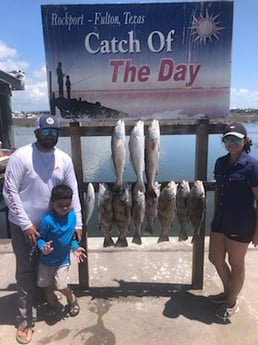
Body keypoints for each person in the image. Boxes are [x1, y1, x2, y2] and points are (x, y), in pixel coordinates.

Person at [3, 114, 83, 344]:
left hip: (54, 224)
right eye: (46, 132)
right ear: (36, 132)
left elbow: (73, 191)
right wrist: (26, 224)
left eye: (54, 132)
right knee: (26, 272)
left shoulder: (64, 159)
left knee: (49, 267)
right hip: (24, 227)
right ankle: (25, 319)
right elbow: (9, 193)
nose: (50, 136)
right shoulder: (21, 157)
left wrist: (77, 223)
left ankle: (46, 299)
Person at [208, 122, 258, 321]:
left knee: (236, 264)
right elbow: (219, 189)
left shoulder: (252, 165)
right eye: (228, 139)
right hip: (220, 220)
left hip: (241, 222)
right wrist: (213, 216)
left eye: (236, 138)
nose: (232, 142)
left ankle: (231, 301)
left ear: (244, 140)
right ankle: (229, 292)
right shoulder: (220, 162)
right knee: (215, 258)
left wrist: (257, 230)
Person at [37, 184, 86, 322]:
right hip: (45, 261)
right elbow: (39, 238)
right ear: (52, 203)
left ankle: (72, 299)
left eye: (67, 204)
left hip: (62, 260)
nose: (64, 208)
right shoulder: (47, 220)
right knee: (48, 286)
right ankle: (51, 305)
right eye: (60, 205)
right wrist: (43, 247)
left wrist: (75, 248)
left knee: (61, 285)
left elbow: (71, 238)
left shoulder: (71, 217)